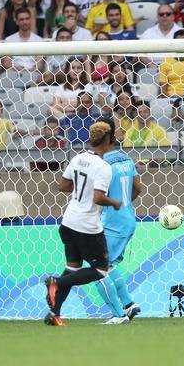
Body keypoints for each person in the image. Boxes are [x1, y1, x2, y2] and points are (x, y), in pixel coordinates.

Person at [43, 121, 122, 327]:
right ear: (109, 140)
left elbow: (62, 185)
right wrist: (114, 202)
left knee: (72, 268)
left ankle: (54, 314)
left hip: (68, 221)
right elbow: (98, 198)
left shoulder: (78, 158)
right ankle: (56, 283)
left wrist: (82, 191)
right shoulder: (104, 167)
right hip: (87, 227)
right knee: (101, 270)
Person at [93, 116, 142, 324]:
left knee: (97, 269)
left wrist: (114, 207)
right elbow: (138, 188)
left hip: (113, 223)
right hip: (128, 219)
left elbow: (98, 196)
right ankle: (129, 304)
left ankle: (118, 315)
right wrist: (124, 205)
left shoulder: (102, 165)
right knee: (109, 266)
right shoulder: (126, 159)